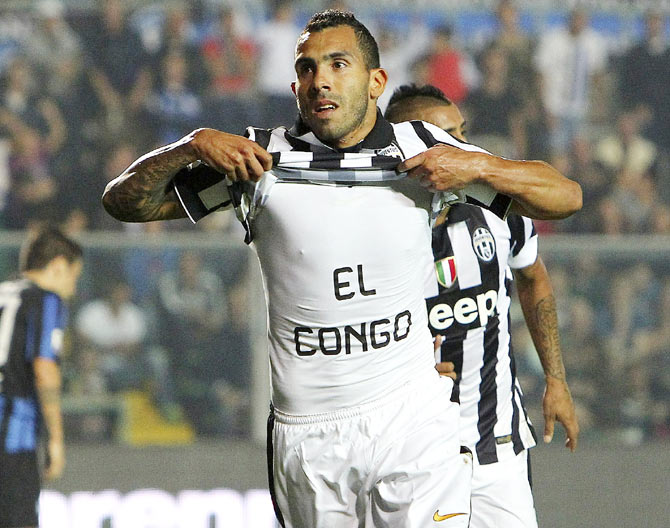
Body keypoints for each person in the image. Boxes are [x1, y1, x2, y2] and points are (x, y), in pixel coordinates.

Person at [102, 10, 581, 527]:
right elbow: (126, 203)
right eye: (307, 69)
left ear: (376, 82)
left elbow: (565, 198)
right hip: (310, 431)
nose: (320, 79)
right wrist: (190, 145)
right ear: (294, 86)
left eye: (337, 63)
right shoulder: (259, 161)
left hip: (412, 416)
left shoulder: (421, 147)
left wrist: (482, 165)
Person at [385, 83, 579, 528]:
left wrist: (556, 379)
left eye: (463, 133)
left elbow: (533, 275)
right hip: (413, 452)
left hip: (499, 446)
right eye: (446, 137)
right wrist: (405, 370)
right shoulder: (381, 229)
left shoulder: (495, 207)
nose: (463, 148)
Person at [0, 228, 83, 528]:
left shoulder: (4, 292)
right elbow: (44, 368)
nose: (73, 287)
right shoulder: (46, 300)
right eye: (73, 276)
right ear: (58, 265)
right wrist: (55, 439)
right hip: (12, 435)